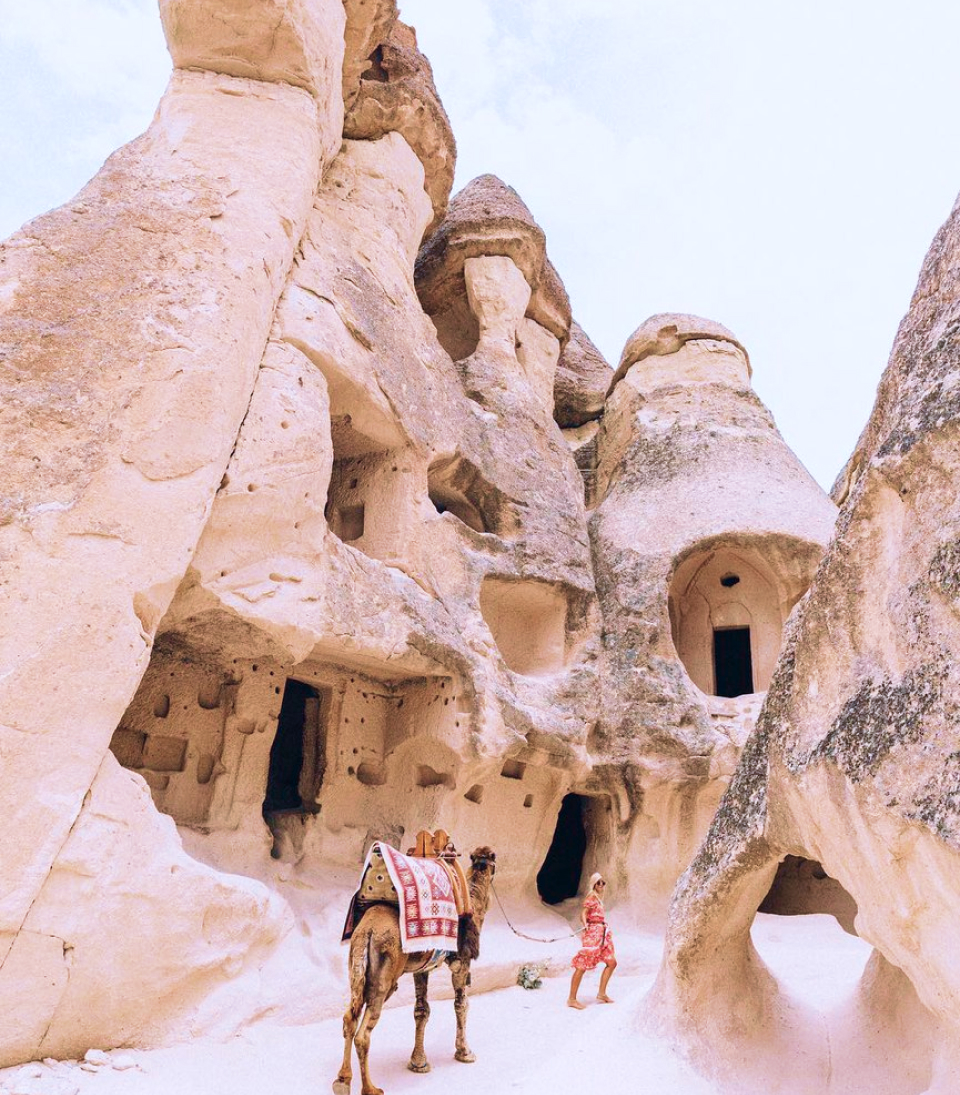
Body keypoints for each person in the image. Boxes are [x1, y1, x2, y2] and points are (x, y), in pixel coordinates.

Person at [567, 872, 617, 1008]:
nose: (601, 885)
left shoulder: (598, 899)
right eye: (598, 882)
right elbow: (583, 913)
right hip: (593, 932)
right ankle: (571, 999)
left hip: (602, 933)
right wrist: (585, 925)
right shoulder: (591, 897)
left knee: (612, 962)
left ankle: (601, 993)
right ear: (594, 884)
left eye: (603, 882)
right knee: (582, 964)